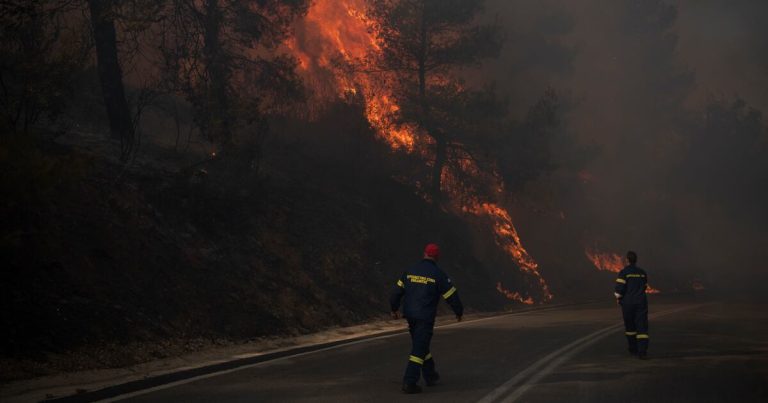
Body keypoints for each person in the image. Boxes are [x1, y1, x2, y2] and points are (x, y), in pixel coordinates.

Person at [390, 243, 463, 394]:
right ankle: (409, 382)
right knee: (419, 349)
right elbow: (451, 295)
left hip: (410, 315)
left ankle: (430, 376)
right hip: (424, 317)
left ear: (424, 253)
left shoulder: (410, 270)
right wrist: (459, 311)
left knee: (421, 344)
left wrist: (394, 308)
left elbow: (396, 292)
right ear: (437, 257)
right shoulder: (438, 274)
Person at [614, 250, 650, 359]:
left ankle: (633, 349)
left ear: (627, 260)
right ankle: (642, 351)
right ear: (636, 260)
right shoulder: (642, 272)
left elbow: (619, 289)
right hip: (641, 303)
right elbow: (645, 286)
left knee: (630, 328)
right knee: (642, 327)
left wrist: (618, 297)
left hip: (628, 303)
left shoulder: (624, 272)